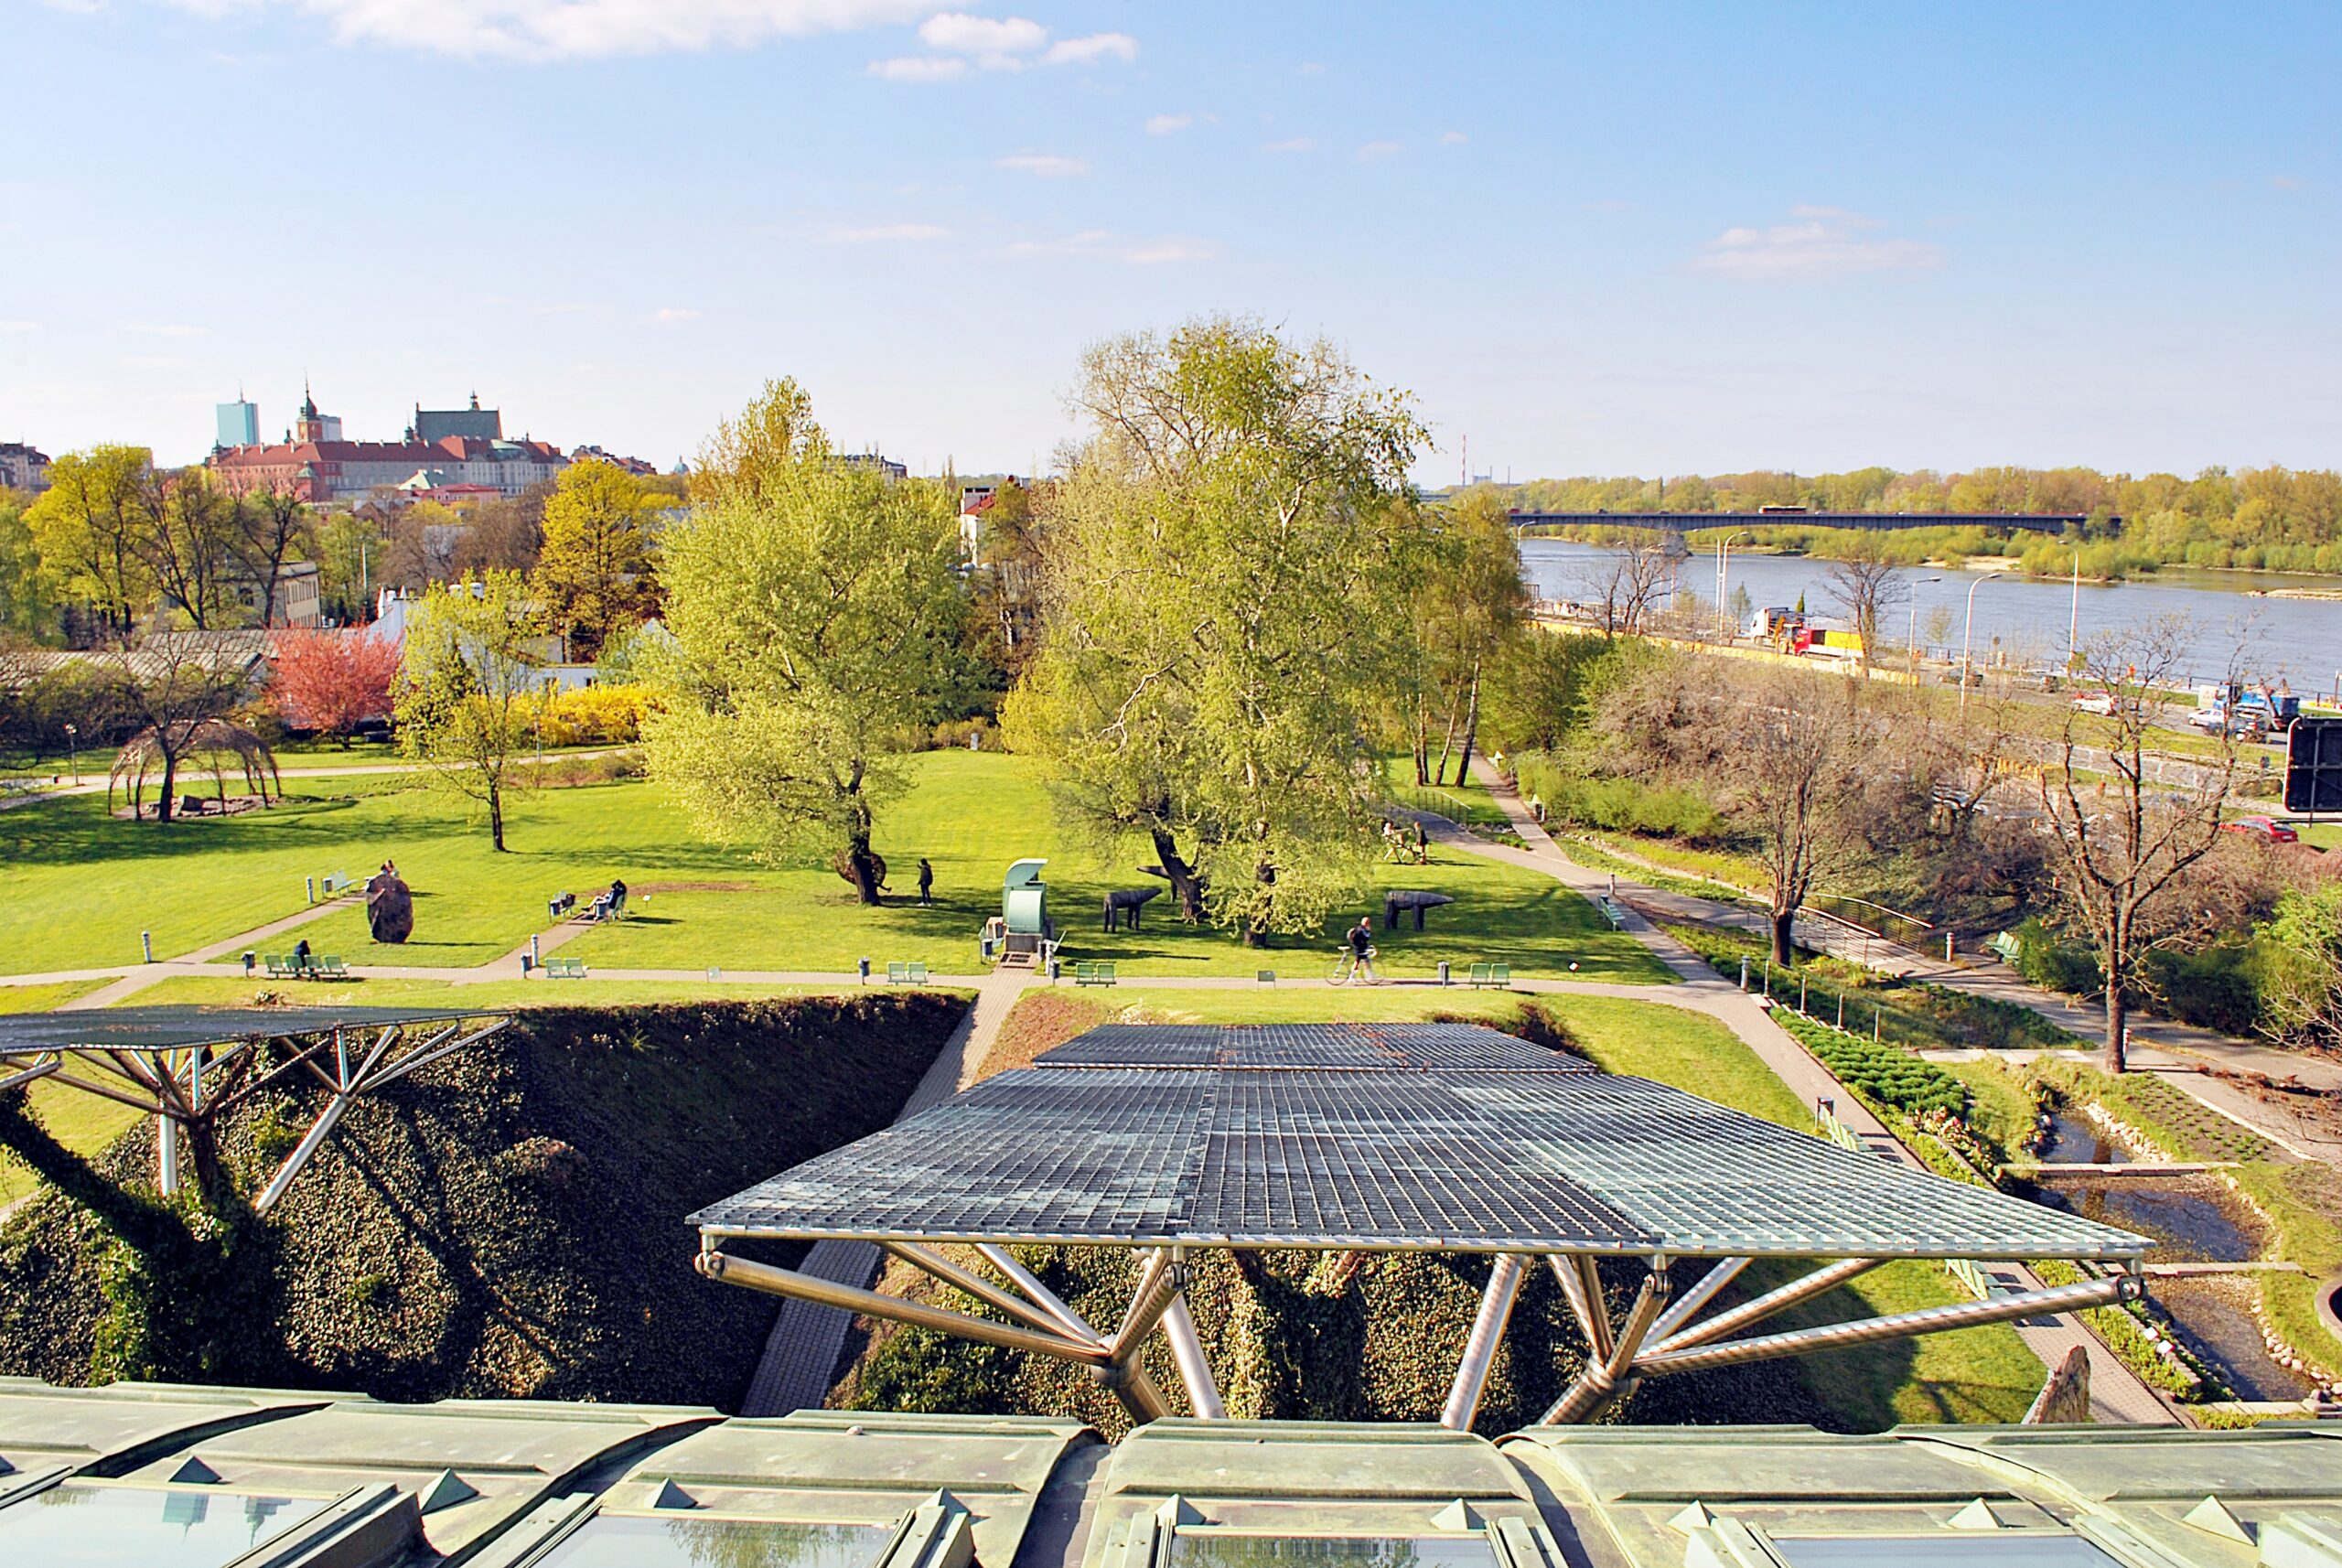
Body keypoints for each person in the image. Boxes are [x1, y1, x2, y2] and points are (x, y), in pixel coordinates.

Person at [1345, 915, 1376, 983]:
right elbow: (1366, 937)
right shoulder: (1362, 930)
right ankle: (1351, 977)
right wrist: (1369, 931)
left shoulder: (1359, 928)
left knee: (1365, 961)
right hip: (1360, 948)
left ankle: (1370, 975)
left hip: (1359, 947)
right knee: (1358, 962)